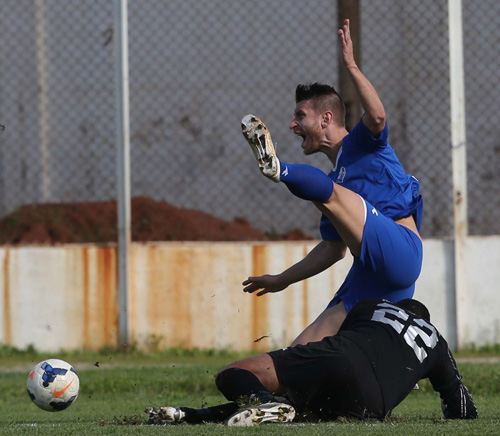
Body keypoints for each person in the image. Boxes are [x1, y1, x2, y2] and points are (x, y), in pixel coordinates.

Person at [240, 19, 424, 345]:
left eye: (301, 116)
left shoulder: (362, 143)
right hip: (370, 274)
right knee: (301, 354)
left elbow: (378, 116)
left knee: (328, 193)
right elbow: (333, 250)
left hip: (400, 254)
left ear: (326, 118)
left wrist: (351, 65)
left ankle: (278, 170)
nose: (293, 124)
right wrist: (282, 280)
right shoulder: (330, 184)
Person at [145, 298, 477, 426]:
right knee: (299, 410)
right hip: (372, 406)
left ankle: (266, 403)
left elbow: (343, 353)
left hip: (345, 358)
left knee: (235, 374)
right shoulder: (437, 342)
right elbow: (463, 408)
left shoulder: (374, 305)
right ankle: (188, 415)